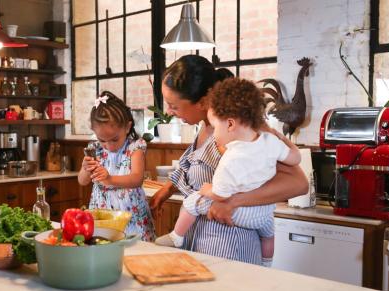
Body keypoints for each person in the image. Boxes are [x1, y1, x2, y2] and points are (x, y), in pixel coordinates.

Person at [149, 55, 308, 265]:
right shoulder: (207, 126)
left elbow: (299, 183)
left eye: (174, 106)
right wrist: (168, 188)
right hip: (199, 244)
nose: (168, 111)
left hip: (230, 247)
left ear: (203, 102)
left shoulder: (244, 129)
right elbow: (194, 160)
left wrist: (233, 201)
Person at [78, 91, 155, 241]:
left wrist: (110, 179)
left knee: (134, 253)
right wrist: (85, 168)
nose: (109, 146)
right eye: (102, 140)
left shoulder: (135, 147)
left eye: (114, 139)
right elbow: (82, 181)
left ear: (127, 127)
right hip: (102, 216)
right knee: (104, 249)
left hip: (131, 216)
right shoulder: (94, 149)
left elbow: (136, 179)